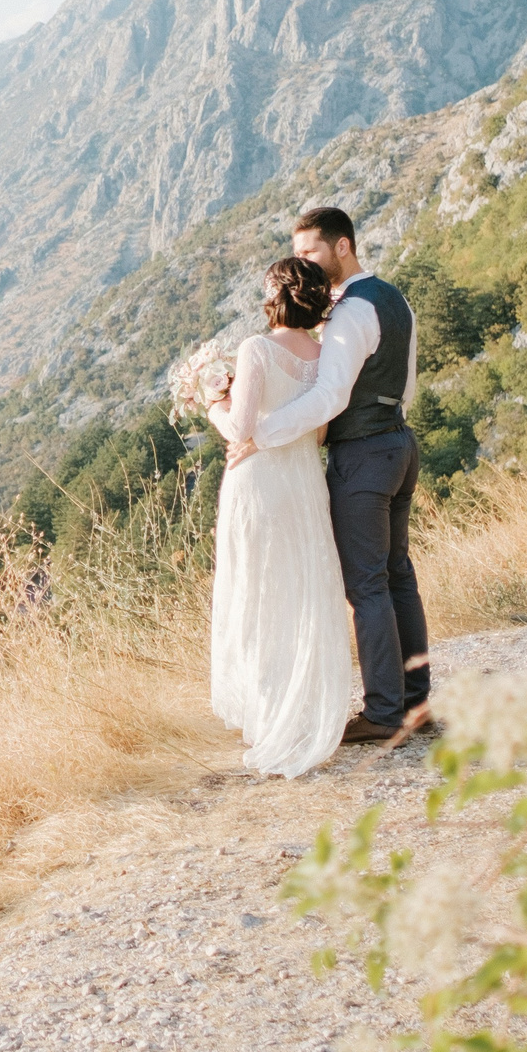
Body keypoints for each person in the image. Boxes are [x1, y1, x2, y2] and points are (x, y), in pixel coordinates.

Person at [228, 206, 428, 746]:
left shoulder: (350, 312)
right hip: (398, 443)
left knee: (367, 585)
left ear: (342, 247)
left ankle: (386, 713)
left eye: (310, 252)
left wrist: (260, 434)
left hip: (363, 454)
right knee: (396, 575)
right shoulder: (392, 297)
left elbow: (330, 396)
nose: (303, 263)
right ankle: (416, 701)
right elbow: (406, 382)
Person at [202, 255, 359, 776]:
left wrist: (209, 403)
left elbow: (240, 429)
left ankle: (270, 718)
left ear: (275, 298)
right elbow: (316, 430)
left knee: (257, 593)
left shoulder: (256, 348)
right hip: (304, 483)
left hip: (260, 483)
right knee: (298, 593)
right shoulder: (322, 357)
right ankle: (299, 711)